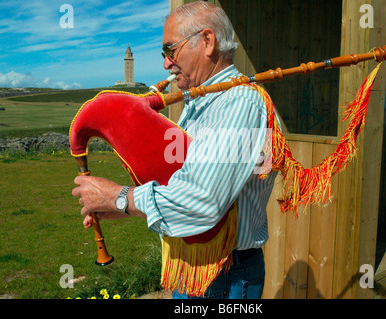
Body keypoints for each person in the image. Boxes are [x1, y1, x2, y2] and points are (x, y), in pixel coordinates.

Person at [72, 1, 277, 299]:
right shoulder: (202, 103)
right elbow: (182, 185)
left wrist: (118, 197)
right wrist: (124, 208)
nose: (166, 64)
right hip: (196, 270)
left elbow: (202, 201)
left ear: (207, 41)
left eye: (171, 51)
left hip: (225, 278)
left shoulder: (239, 103)